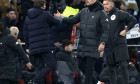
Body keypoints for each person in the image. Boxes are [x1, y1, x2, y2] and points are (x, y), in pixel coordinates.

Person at [55, 0, 109, 83]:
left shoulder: (101, 13)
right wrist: (61, 17)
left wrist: (103, 43)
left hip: (93, 45)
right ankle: (97, 82)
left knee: (89, 69)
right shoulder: (83, 11)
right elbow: (72, 20)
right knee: (80, 67)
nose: (86, 0)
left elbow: (106, 30)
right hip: (82, 45)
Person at [23, 0, 61, 84]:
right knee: (51, 64)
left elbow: (25, 33)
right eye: (44, 4)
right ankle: (34, 80)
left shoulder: (27, 17)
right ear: (42, 5)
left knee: (39, 68)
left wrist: (28, 47)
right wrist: (59, 17)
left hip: (33, 48)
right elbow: (57, 23)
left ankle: (35, 82)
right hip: (44, 46)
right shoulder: (45, 14)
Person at [103, 0, 137, 84]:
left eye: (107, 4)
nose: (104, 6)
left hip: (119, 44)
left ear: (112, 5)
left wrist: (126, 30)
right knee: (111, 68)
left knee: (123, 66)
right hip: (108, 46)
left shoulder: (119, 13)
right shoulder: (102, 16)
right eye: (103, 4)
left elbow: (133, 20)